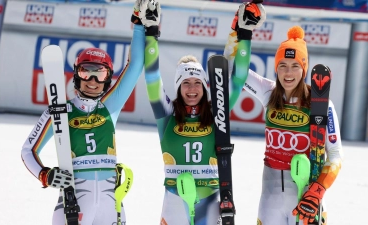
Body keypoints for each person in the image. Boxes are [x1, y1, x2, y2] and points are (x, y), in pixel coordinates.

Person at [20, 1, 151, 224]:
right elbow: (28, 151)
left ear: (108, 79)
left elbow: (136, 63)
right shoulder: (61, 111)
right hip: (73, 205)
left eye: (99, 74)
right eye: (86, 71)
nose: (92, 81)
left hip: (112, 206)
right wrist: (45, 174)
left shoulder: (110, 107)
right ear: (77, 75)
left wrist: (139, 23)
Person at [142, 2, 265, 225]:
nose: (191, 89)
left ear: (205, 86)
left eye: (197, 82)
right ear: (178, 87)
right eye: (185, 83)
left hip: (211, 201)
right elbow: (151, 77)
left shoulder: (217, 111)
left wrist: (245, 34)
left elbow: (237, 80)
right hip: (174, 202)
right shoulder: (166, 113)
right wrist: (151, 32)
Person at [224, 22, 344, 224]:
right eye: (283, 66)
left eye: (295, 66)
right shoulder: (268, 92)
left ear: (304, 68)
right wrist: (239, 30)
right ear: (276, 67)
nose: (288, 73)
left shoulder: (321, 103)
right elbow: (230, 68)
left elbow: (335, 156)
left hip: (306, 200)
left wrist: (317, 192)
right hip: (270, 199)